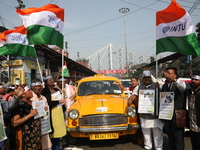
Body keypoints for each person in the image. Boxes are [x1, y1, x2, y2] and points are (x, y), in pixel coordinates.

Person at [161, 67, 187, 150]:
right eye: (166, 73)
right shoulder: (165, 85)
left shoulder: (179, 84)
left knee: (178, 138)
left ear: (175, 75)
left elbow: (183, 87)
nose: (167, 74)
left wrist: (174, 80)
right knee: (170, 137)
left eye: (169, 73)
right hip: (168, 115)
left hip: (177, 116)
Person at [137, 70, 163, 150]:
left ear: (151, 78)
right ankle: (148, 147)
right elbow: (135, 95)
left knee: (157, 133)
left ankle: (159, 148)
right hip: (144, 115)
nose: (147, 79)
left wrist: (159, 90)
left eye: (148, 77)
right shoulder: (139, 86)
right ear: (142, 79)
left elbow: (163, 96)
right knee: (146, 132)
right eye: (145, 77)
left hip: (155, 115)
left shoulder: (157, 85)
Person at [11, 86, 42, 150]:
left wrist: (42, 110)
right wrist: (30, 115)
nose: (31, 92)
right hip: (26, 138)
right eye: (28, 91)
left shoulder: (31, 102)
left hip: (35, 137)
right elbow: (14, 122)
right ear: (23, 94)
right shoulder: (19, 105)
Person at [41, 75, 66, 150]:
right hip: (52, 115)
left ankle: (57, 146)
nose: (51, 81)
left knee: (58, 135)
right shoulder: (45, 91)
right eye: (49, 80)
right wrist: (58, 101)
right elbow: (48, 103)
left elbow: (62, 99)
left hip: (59, 114)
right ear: (46, 82)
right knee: (52, 134)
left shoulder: (56, 90)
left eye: (52, 79)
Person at [30, 79, 52, 150]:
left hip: (44, 125)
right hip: (34, 126)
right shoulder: (30, 98)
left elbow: (47, 111)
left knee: (46, 143)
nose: (38, 88)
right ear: (32, 87)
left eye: (39, 86)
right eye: (35, 86)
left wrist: (46, 109)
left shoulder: (43, 98)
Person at [187, 74, 200, 150]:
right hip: (192, 126)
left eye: (196, 80)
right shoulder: (189, 92)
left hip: (199, 126)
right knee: (194, 146)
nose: (194, 81)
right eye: (192, 79)